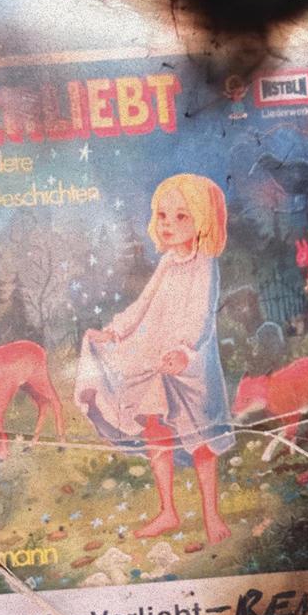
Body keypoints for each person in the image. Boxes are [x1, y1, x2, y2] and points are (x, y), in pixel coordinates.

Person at [75, 173, 235, 545]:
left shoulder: (204, 262)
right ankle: (168, 511)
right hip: (155, 363)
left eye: (181, 216)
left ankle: (212, 516)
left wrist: (182, 350)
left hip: (189, 365)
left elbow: (200, 316)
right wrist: (115, 331)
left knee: (200, 437)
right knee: (155, 428)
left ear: (202, 219)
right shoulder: (167, 262)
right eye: (163, 215)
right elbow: (143, 303)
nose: (168, 224)